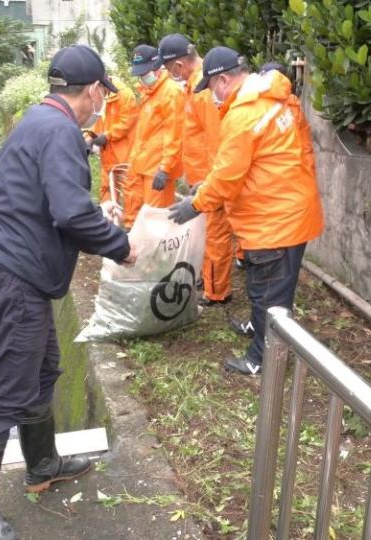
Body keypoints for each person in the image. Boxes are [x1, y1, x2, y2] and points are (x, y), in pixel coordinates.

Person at [0, 45, 137, 540]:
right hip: (12, 281)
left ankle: (42, 464)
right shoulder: (59, 130)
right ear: (95, 89)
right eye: (105, 91)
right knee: (8, 392)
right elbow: (71, 214)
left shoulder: (38, 120)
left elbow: (12, 188)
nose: (104, 100)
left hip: (17, 277)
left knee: (44, 369)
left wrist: (87, 218)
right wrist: (120, 247)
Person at [168, 47, 324, 376]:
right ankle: (257, 328)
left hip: (275, 222)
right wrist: (204, 188)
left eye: (211, 88)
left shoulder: (244, 114)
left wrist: (194, 205)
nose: (211, 97)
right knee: (261, 285)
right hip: (283, 211)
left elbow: (227, 176)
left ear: (223, 80)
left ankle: (262, 361)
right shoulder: (275, 99)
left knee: (271, 296)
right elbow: (241, 164)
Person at [158, 33, 233, 307]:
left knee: (215, 236)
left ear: (178, 65)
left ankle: (217, 291)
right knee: (207, 234)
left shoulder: (204, 91)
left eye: (168, 70)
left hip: (209, 180)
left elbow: (217, 139)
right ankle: (209, 280)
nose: (168, 75)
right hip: (203, 178)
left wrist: (207, 183)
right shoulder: (196, 86)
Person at [122, 44, 184, 227]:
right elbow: (145, 134)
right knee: (137, 218)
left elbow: (174, 134)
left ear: (157, 67)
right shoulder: (149, 93)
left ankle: (157, 256)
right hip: (141, 165)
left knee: (156, 223)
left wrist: (164, 169)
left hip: (157, 172)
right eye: (139, 74)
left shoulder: (171, 92)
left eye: (145, 72)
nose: (142, 77)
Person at [89, 74, 139, 223]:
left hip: (125, 153)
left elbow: (127, 122)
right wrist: (90, 137)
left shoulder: (125, 95)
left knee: (129, 190)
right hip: (108, 155)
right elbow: (97, 122)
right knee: (106, 188)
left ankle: (131, 225)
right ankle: (108, 223)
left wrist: (107, 136)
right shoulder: (99, 98)